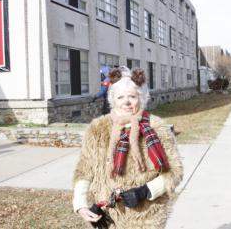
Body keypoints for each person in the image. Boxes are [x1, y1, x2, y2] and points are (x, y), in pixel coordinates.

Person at [73, 66, 183, 229]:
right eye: (120, 97)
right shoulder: (97, 128)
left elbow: (175, 172)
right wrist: (80, 204)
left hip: (148, 216)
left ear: (142, 97)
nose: (126, 102)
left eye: (132, 96)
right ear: (112, 99)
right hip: (109, 217)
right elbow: (84, 170)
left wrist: (146, 191)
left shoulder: (156, 127)